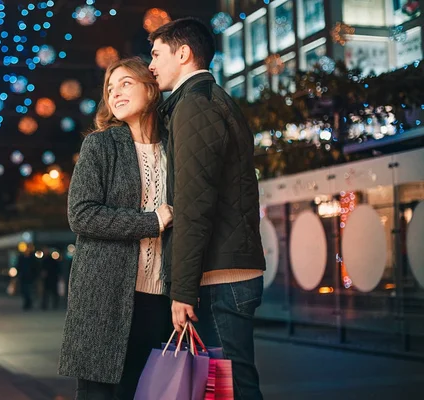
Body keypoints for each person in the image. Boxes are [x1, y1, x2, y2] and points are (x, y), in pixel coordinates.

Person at [148, 18, 267, 400]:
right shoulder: (211, 100)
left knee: (233, 389)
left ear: (182, 54)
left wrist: (182, 291)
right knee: (230, 385)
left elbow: (194, 205)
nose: (150, 66)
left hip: (219, 278)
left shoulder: (193, 107)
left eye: (156, 54)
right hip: (229, 271)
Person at [58, 57, 174, 400]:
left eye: (125, 83)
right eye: (110, 88)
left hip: (159, 299)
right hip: (104, 297)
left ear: (151, 89)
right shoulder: (101, 145)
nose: (115, 93)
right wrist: (151, 221)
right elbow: (81, 214)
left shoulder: (174, 148)